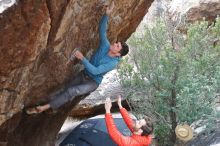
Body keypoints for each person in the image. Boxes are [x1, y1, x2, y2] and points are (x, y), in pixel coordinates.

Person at [26, 2, 129, 114]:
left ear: (118, 54)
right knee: (67, 88)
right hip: (84, 74)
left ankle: (42, 108)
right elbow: (102, 31)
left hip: (93, 82)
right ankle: (53, 107)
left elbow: (96, 71)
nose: (114, 44)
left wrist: (82, 58)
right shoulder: (106, 46)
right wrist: (106, 14)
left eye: (117, 46)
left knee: (72, 90)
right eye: (116, 43)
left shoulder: (112, 63)